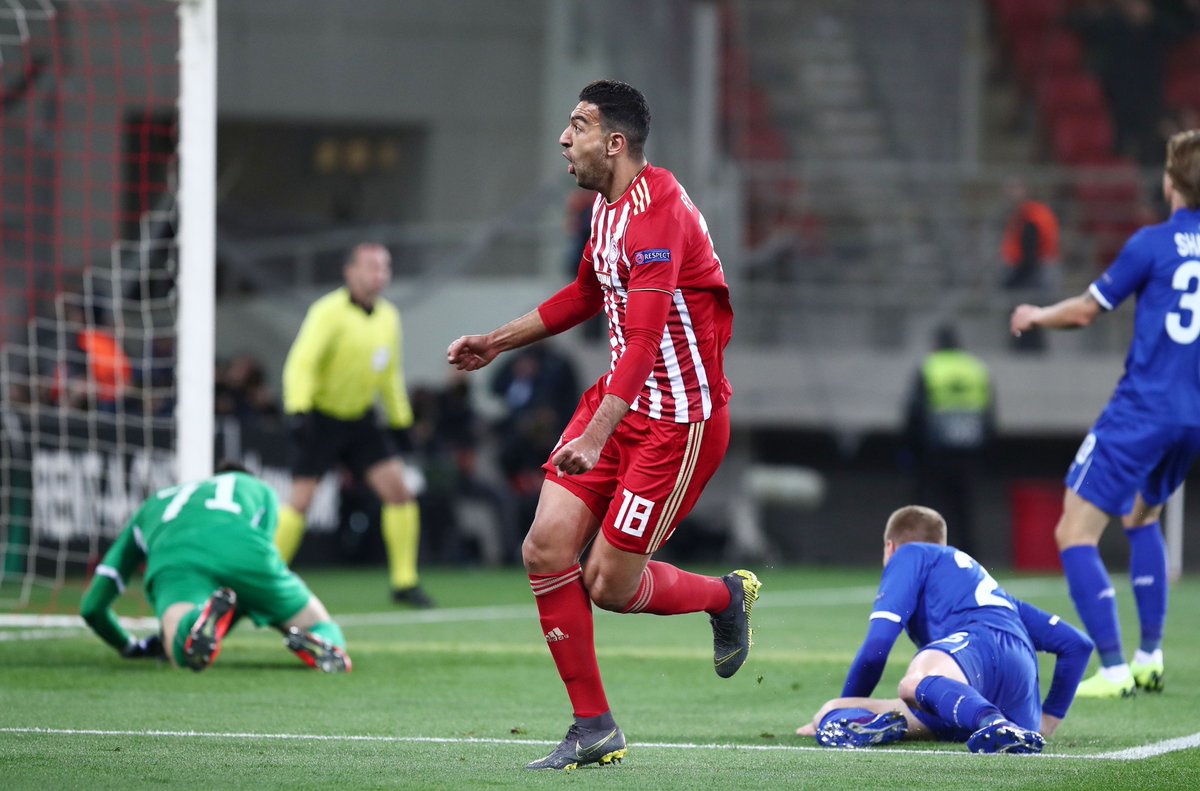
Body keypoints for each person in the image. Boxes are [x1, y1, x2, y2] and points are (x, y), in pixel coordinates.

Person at [447, 79, 760, 771]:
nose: (565, 138)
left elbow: (645, 343)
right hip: (618, 404)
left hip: (677, 424)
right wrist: (497, 341)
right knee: (543, 548)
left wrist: (593, 437)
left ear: (614, 143)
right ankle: (593, 726)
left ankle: (724, 596)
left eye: (579, 125)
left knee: (609, 586)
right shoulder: (606, 206)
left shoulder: (658, 216)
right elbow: (587, 293)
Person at [1009, 128, 1200, 698]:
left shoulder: (1152, 243)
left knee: (1074, 531)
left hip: (1142, 411)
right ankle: (1149, 657)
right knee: (1143, 516)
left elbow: (1086, 312)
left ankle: (1114, 667)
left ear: (1170, 182)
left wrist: (1036, 315)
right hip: (1191, 418)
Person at [796, 505, 1090, 754]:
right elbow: (1076, 644)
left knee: (914, 682)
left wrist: (850, 699)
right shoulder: (989, 592)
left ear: (890, 547)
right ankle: (870, 723)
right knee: (829, 712)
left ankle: (993, 722)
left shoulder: (909, 554)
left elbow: (876, 649)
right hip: (1013, 694)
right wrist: (1048, 719)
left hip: (975, 648)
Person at [276, 242, 433, 608]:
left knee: (399, 493)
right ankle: (265, 578)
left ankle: (405, 582)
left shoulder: (388, 316)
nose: (379, 274)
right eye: (371, 266)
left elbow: (390, 375)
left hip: (361, 420)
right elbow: (302, 363)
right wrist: (297, 409)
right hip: (320, 418)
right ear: (350, 272)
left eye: (385, 267)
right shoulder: (327, 312)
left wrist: (401, 422)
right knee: (300, 502)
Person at [80, 463, 351, 673]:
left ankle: (193, 624)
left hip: (176, 560)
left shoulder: (154, 503)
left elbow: (91, 608)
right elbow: (265, 549)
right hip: (245, 553)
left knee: (179, 647)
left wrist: (128, 646)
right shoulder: (257, 488)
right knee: (318, 622)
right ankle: (324, 643)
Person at [903, 323, 994, 558]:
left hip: (935, 452)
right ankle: (967, 559)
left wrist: (910, 450)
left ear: (936, 344)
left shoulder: (931, 367)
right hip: (969, 453)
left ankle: (928, 557)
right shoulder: (975, 368)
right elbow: (989, 415)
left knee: (929, 508)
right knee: (964, 511)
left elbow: (915, 412)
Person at [1000, 180, 1060, 352]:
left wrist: (1014, 279)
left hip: (1032, 275)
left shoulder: (1031, 216)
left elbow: (1029, 253)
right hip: (1034, 272)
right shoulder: (1028, 214)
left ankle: (1027, 351)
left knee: (1026, 318)